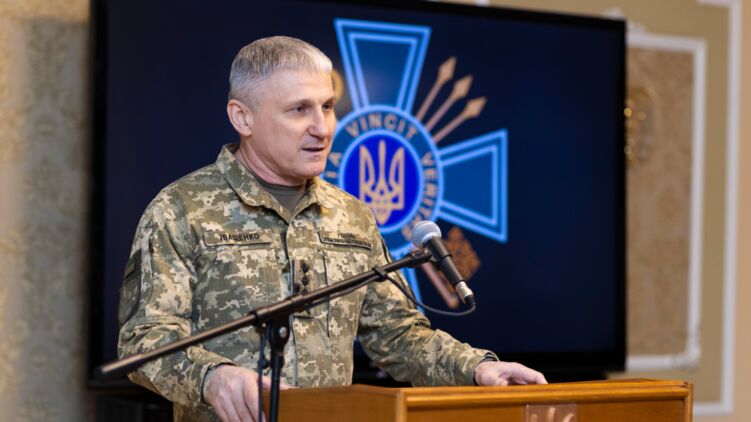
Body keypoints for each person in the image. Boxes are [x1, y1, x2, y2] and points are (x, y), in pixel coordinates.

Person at [117, 36, 546, 422]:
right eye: (299, 110)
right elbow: (143, 341)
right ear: (242, 118)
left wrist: (476, 369)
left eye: (327, 107)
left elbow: (397, 334)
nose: (322, 128)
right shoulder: (181, 209)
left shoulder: (352, 215)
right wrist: (213, 378)